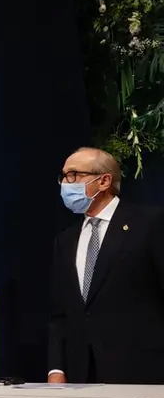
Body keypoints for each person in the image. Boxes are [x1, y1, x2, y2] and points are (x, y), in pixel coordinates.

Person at [48, 147, 164, 384]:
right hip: (81, 376)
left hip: (143, 373)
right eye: (64, 176)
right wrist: (56, 369)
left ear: (104, 181)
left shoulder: (150, 224)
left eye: (74, 175)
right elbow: (60, 313)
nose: (66, 184)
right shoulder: (65, 240)